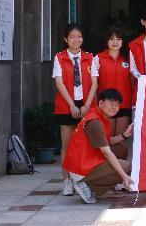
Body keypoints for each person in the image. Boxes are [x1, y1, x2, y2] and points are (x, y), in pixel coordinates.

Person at [62, 88, 134, 204]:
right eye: (111, 103)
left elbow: (105, 141)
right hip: (80, 168)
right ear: (101, 103)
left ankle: (100, 188)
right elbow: (106, 152)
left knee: (121, 149)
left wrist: (124, 135)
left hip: (84, 160)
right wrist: (124, 176)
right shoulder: (95, 122)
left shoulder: (98, 115)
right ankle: (86, 185)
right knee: (125, 166)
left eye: (117, 104)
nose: (114, 107)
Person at [52, 23, 98, 196]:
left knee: (86, 145)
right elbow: (59, 83)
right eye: (72, 37)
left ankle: (84, 180)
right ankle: (67, 182)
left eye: (79, 37)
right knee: (67, 146)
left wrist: (87, 104)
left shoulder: (90, 57)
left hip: (86, 103)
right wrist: (71, 104)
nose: (76, 40)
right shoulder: (59, 57)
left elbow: (95, 83)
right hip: (66, 104)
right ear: (66, 39)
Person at [93, 27, 132, 153]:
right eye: (111, 39)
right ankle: (106, 165)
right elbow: (94, 84)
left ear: (122, 41)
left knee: (120, 142)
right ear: (106, 41)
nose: (115, 42)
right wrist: (95, 105)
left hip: (123, 104)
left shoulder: (128, 58)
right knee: (106, 141)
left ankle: (119, 165)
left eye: (118, 39)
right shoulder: (98, 58)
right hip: (105, 105)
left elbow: (133, 81)